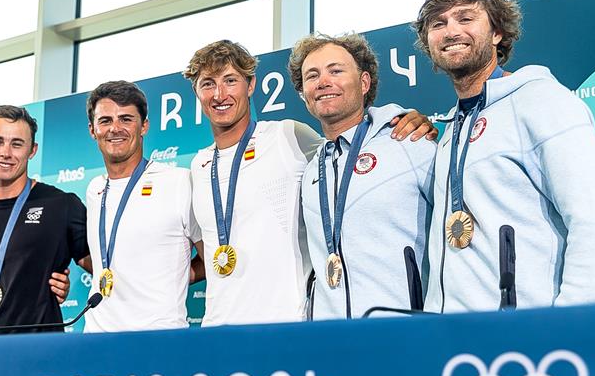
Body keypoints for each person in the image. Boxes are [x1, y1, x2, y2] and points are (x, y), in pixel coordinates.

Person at [412, 0, 595, 311]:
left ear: (497, 32)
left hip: (527, 340)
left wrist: (570, 328)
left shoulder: (543, 102)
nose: (451, 30)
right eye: (438, 23)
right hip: (452, 341)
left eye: (465, 18)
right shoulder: (450, 131)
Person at [184, 40, 432, 325]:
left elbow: (348, 148)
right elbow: (208, 246)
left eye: (230, 81)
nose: (219, 94)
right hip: (218, 327)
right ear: (196, 92)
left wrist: (407, 119)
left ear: (250, 85)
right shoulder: (198, 166)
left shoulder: (288, 136)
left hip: (288, 324)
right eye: (207, 84)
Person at [288, 33, 436, 319]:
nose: (323, 82)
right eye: (312, 75)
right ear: (304, 94)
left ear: (364, 83)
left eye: (336, 70)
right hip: (332, 341)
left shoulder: (408, 141)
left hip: (403, 333)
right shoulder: (311, 170)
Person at [83, 81, 203, 332]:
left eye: (126, 119)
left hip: (158, 341)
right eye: (105, 120)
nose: (115, 128)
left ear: (144, 126)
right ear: (93, 130)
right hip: (96, 340)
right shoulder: (94, 190)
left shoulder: (179, 182)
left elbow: (213, 257)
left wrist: (182, 275)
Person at [0, 105, 91, 332]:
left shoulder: (61, 205)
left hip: (38, 350)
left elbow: (104, 267)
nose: (5, 152)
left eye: (16, 144)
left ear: (32, 150)